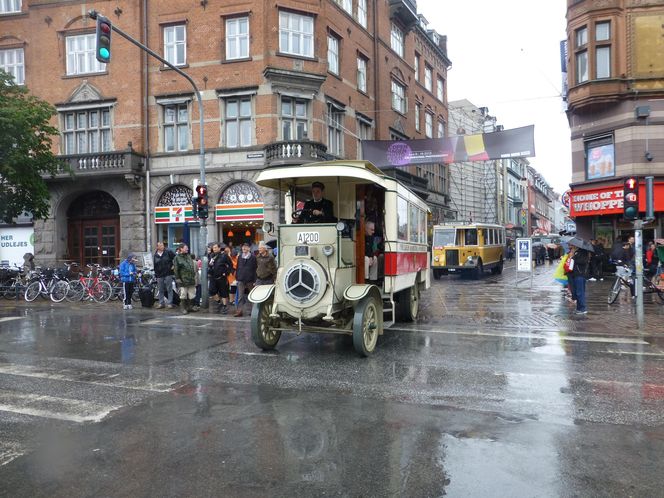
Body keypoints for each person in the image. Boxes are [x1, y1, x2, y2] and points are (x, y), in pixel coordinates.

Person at [173, 243, 197, 315]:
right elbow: (176, 269)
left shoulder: (189, 256)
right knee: (183, 294)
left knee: (192, 293)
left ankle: (190, 306)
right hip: (183, 279)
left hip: (191, 278)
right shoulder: (177, 258)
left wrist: (193, 275)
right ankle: (183, 308)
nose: (187, 249)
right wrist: (178, 278)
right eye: (186, 248)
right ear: (181, 249)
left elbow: (192, 266)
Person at [234, 242, 257, 317]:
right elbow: (238, 267)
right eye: (243, 247)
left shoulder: (253, 257)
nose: (244, 248)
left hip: (250, 279)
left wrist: (254, 280)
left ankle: (253, 311)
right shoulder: (240, 257)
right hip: (241, 278)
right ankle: (239, 311)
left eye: (245, 247)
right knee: (240, 296)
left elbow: (255, 269)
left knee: (252, 296)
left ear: (249, 248)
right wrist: (237, 277)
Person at [153, 241, 176, 309]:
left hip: (168, 273)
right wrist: (156, 274)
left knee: (169, 288)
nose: (162, 247)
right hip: (159, 274)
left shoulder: (168, 252)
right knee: (160, 289)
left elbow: (176, 258)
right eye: (160, 246)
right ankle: (161, 303)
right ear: (157, 247)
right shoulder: (155, 255)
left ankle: (170, 303)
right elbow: (155, 265)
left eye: (162, 245)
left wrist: (174, 266)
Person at [211, 243, 232, 314]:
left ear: (219, 248)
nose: (214, 249)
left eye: (216, 248)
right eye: (213, 248)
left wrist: (226, 273)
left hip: (221, 277)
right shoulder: (212, 256)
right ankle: (219, 302)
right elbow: (210, 265)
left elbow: (230, 265)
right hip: (213, 277)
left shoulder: (224, 256)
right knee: (212, 291)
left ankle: (225, 306)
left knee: (223, 292)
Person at [570, 245, 590, 314]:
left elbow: (582, 261)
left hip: (580, 274)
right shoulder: (577, 252)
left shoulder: (583, 252)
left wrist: (573, 257)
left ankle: (582, 309)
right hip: (576, 274)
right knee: (577, 292)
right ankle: (579, 308)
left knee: (580, 292)